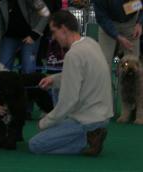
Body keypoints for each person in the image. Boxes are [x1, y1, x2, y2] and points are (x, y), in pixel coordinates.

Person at [29, 10, 113, 156]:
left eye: (54, 32)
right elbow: (82, 74)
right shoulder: (91, 43)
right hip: (102, 116)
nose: (53, 38)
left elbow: (69, 101)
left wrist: (45, 122)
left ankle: (86, 140)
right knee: (55, 89)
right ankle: (89, 136)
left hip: (87, 121)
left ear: (64, 30)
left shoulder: (73, 55)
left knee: (36, 145)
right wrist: (53, 80)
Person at [0, 0, 50, 74]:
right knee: (2, 69)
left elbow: (46, 13)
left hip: (31, 35)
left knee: (28, 70)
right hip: (9, 36)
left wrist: (35, 34)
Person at [92, 0, 143, 69]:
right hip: (108, 23)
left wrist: (140, 23)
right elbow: (102, 17)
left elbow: (141, 4)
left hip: (131, 22)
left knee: (133, 64)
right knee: (104, 63)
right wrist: (118, 36)